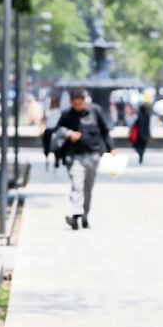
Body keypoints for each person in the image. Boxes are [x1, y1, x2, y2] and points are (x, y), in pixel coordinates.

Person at [55, 88, 116, 230]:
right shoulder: (67, 114)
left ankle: (85, 216)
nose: (77, 107)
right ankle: (75, 214)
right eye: (74, 104)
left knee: (88, 188)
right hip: (74, 156)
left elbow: (105, 131)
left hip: (93, 156)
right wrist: (69, 133)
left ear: (84, 101)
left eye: (80, 104)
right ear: (71, 103)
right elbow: (57, 129)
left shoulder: (95, 111)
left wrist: (111, 148)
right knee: (77, 185)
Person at [42, 94, 63, 170]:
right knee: (57, 146)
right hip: (55, 130)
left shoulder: (49, 112)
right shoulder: (59, 112)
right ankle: (56, 160)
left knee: (47, 145)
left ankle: (47, 158)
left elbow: (43, 119)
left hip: (49, 130)